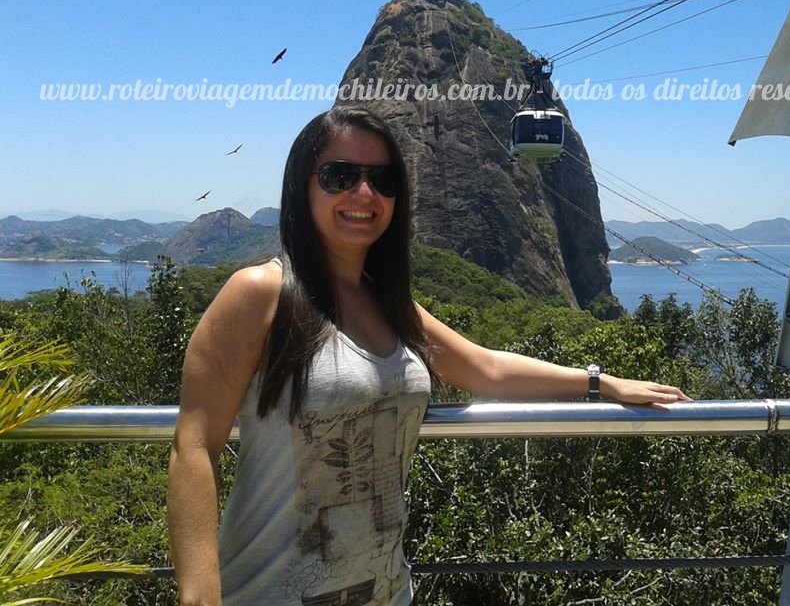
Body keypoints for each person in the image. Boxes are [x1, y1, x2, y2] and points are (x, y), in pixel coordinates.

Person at [166, 106, 691, 606]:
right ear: (302, 185)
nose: (364, 192)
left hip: (388, 591)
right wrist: (199, 596)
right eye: (339, 175)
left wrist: (599, 383)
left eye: (383, 180)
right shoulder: (260, 294)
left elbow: (486, 368)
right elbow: (194, 447)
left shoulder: (391, 306)